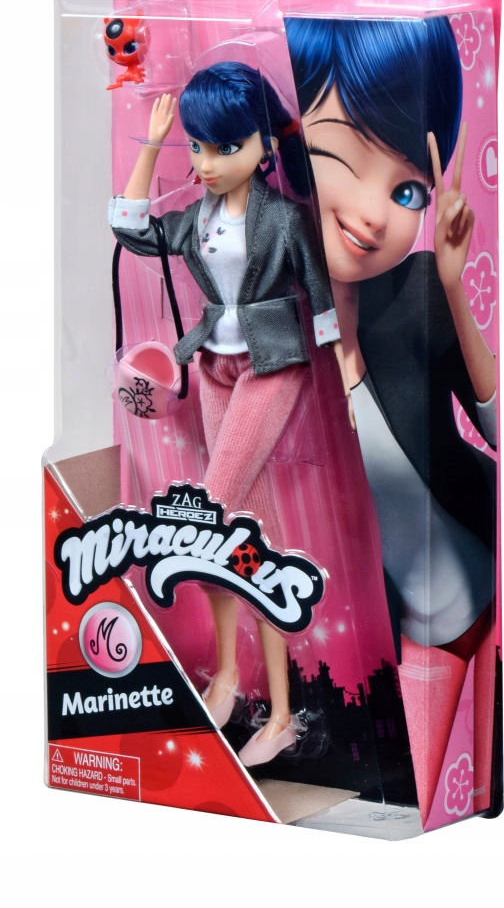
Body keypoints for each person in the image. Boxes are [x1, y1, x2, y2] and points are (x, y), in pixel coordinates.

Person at [285, 16, 498, 822]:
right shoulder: (279, 347)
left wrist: (451, 287)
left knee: (476, 795)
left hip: (495, 590)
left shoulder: (413, 295)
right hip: (404, 639)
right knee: (410, 807)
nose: (375, 215)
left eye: (406, 190)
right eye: (342, 157)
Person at [109, 60, 347, 766]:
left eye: (225, 147)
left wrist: (350, 376)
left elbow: (320, 296)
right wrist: (152, 146)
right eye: (199, 148)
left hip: (273, 367)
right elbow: (129, 229)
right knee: (252, 533)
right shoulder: (195, 220)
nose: (208, 164)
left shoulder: (284, 218)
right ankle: (263, 703)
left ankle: (241, 687)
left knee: (211, 513)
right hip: (213, 366)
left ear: (263, 146)